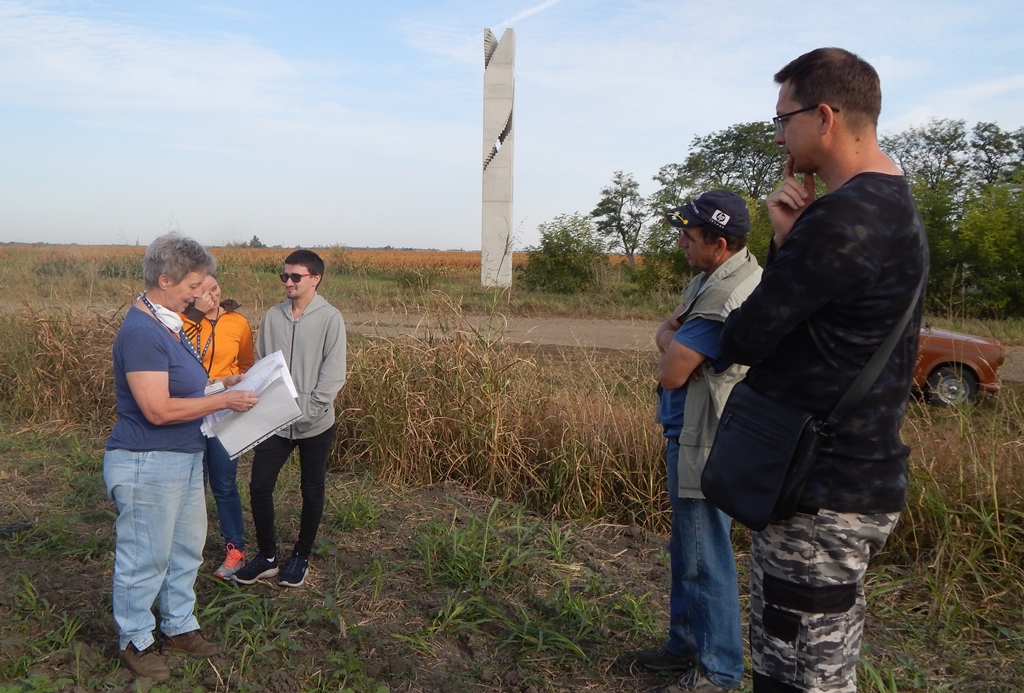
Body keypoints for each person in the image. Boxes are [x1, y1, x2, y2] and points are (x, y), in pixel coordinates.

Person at [718, 48, 928, 693]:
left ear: (826, 116)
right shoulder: (889, 206)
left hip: (820, 491)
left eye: (783, 119)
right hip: (849, 479)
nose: (780, 134)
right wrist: (794, 238)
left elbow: (746, 335)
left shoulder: (843, 217)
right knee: (817, 665)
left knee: (799, 676)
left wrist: (784, 246)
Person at [104, 233, 259, 680]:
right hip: (147, 460)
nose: (200, 293)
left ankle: (179, 624)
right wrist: (223, 403)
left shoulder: (167, 321)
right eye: (193, 285)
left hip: (181, 455)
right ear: (165, 279)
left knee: (186, 547)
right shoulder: (142, 332)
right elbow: (157, 409)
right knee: (145, 555)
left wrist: (219, 387)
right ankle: (135, 638)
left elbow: (181, 391)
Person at [633, 191, 761, 693]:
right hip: (691, 431)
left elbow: (670, 370)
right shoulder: (711, 277)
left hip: (704, 438)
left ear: (720, 243)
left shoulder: (723, 296)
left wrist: (672, 339)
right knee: (688, 546)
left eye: (690, 236)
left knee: (707, 553)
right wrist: (674, 337)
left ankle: (720, 671)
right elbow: (668, 333)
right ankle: (683, 644)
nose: (682, 242)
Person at [232, 249, 346, 589]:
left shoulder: (330, 318)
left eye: (296, 276)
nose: (288, 282)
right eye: (285, 276)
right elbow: (264, 365)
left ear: (315, 278)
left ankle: (301, 556)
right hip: (277, 423)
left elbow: (333, 373)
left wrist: (310, 411)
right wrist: (270, 407)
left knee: (311, 489)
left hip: (316, 423)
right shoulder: (272, 316)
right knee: (259, 486)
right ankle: (267, 556)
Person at [180, 274, 256, 579]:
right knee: (191, 484)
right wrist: (195, 314)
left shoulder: (237, 322)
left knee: (224, 484)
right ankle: (188, 547)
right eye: (203, 290)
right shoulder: (182, 321)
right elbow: (177, 351)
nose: (213, 294)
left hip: (223, 410)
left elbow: (248, 365)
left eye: (215, 288)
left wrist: (235, 386)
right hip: (189, 408)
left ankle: (235, 549)